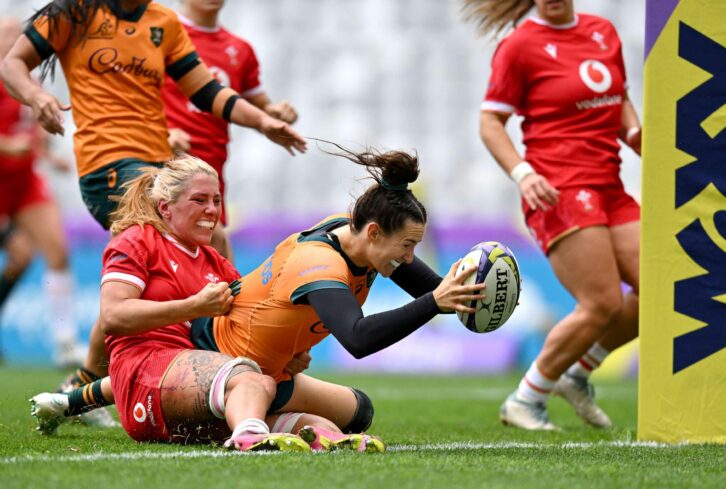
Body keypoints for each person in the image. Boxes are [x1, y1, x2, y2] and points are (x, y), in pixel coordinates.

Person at [31, 145, 486, 450]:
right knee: (251, 381)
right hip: (213, 360)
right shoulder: (318, 262)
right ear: (371, 232)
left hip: (230, 362)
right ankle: (250, 436)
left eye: (217, 200)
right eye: (201, 201)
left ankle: (73, 400)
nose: (213, 211)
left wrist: (473, 292)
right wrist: (436, 303)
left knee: (358, 411)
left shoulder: (219, 258)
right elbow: (359, 339)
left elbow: (430, 286)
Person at [0, 0, 306, 404]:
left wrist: (262, 121)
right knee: (195, 247)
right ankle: (96, 382)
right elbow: (11, 64)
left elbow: (208, 91)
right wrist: (36, 97)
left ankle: (82, 387)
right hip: (108, 169)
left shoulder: (162, 22)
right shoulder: (72, 13)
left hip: (157, 165)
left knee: (208, 248)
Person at [467, 0, 641, 429]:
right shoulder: (520, 46)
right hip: (557, 190)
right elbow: (491, 122)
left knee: (662, 287)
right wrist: (523, 173)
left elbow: (619, 97)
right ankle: (526, 398)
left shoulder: (603, 31)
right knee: (601, 301)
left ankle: (577, 373)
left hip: (610, 187)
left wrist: (635, 131)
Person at [163, 0, 299, 260]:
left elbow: (256, 108)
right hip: (162, 167)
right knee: (148, 248)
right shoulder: (160, 35)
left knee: (215, 256)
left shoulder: (240, 49)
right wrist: (159, 133)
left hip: (211, 170)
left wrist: (275, 114)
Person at [0, 15, 87, 368]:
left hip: (23, 182)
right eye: (5, 35)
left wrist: (51, 158)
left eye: (16, 36)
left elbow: (31, 133)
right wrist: (8, 148)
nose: (12, 41)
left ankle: (65, 343)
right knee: (20, 253)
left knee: (56, 250)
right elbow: (13, 139)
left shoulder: (28, 81)